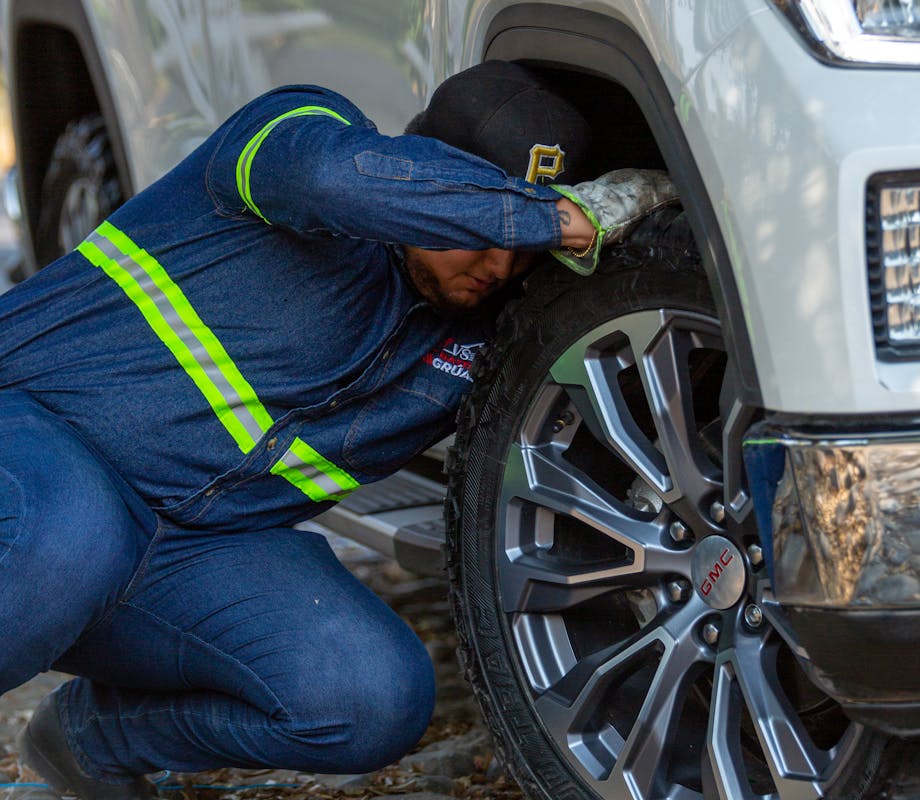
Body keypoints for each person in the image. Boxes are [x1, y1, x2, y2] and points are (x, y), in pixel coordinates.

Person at [0, 60, 676, 799]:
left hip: (178, 551)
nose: (498, 261)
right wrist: (551, 217)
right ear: (416, 164)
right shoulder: (287, 143)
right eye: (475, 226)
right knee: (72, 530)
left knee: (368, 699)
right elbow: (334, 174)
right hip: (33, 442)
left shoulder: (483, 332)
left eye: (521, 250)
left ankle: (88, 741)